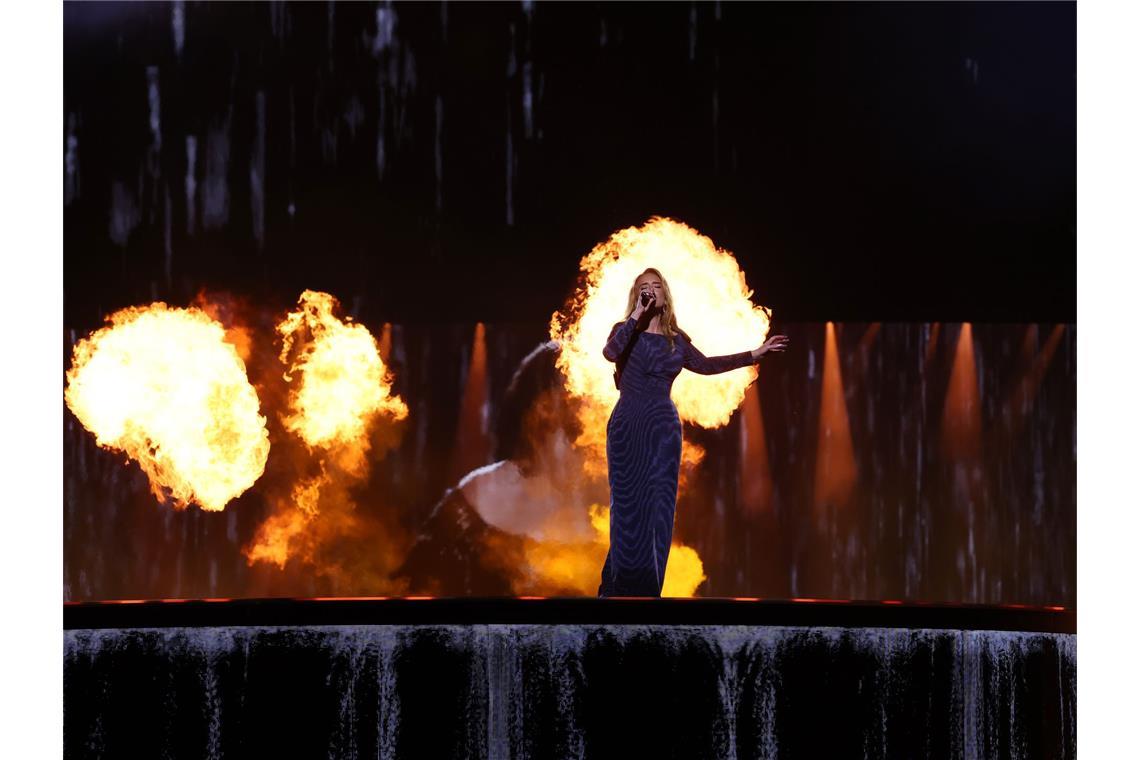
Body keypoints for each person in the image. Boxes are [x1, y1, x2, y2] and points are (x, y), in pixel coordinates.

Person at [597, 267, 789, 597]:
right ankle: (617, 591)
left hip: (663, 428)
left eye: (656, 286)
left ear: (665, 294)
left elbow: (707, 365)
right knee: (628, 505)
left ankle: (646, 591)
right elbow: (610, 353)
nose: (651, 290)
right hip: (628, 423)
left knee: (657, 508)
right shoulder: (623, 331)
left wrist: (754, 354)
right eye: (644, 287)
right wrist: (636, 316)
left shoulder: (676, 340)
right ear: (636, 295)